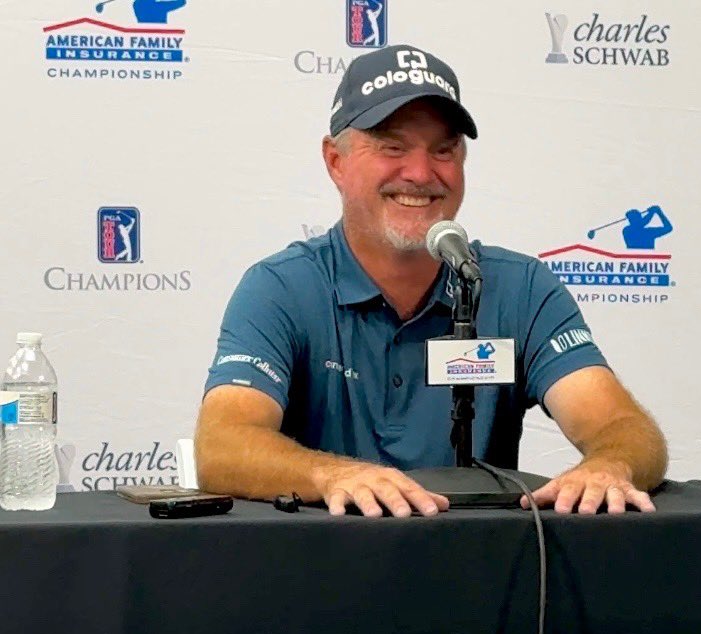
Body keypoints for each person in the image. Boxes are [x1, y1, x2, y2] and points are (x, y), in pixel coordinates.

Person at [196, 45, 668, 518]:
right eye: (392, 146)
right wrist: (333, 474)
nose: (421, 174)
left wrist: (611, 465)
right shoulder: (280, 288)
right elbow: (223, 445)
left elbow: (622, 427)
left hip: (482, 575)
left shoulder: (521, 287)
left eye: (443, 150)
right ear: (335, 162)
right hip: (325, 573)